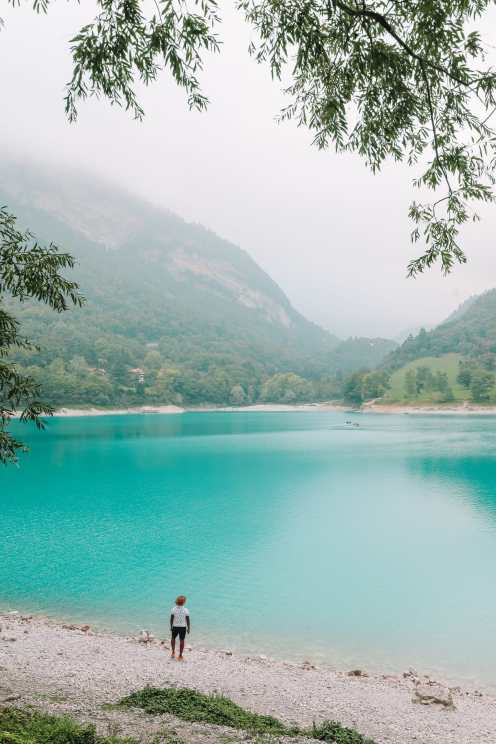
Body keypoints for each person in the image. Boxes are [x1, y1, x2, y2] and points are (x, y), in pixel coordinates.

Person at [170, 595, 190, 661]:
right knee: (182, 640)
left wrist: (171, 626)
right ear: (184, 602)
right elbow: (187, 620)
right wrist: (188, 628)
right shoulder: (186, 610)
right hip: (182, 627)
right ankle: (180, 655)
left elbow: (171, 619)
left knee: (173, 638)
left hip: (175, 626)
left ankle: (173, 652)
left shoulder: (173, 609)